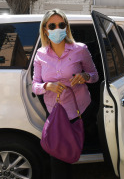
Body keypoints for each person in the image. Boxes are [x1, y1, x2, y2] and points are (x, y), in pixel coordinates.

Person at [32, 9, 99, 179]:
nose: (57, 29)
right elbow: (35, 86)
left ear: (67, 27)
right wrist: (48, 86)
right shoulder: (40, 55)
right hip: (55, 112)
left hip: (79, 110)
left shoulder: (80, 49)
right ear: (45, 29)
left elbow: (95, 75)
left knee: (71, 153)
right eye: (52, 25)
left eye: (61, 25)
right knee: (57, 157)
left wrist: (84, 77)